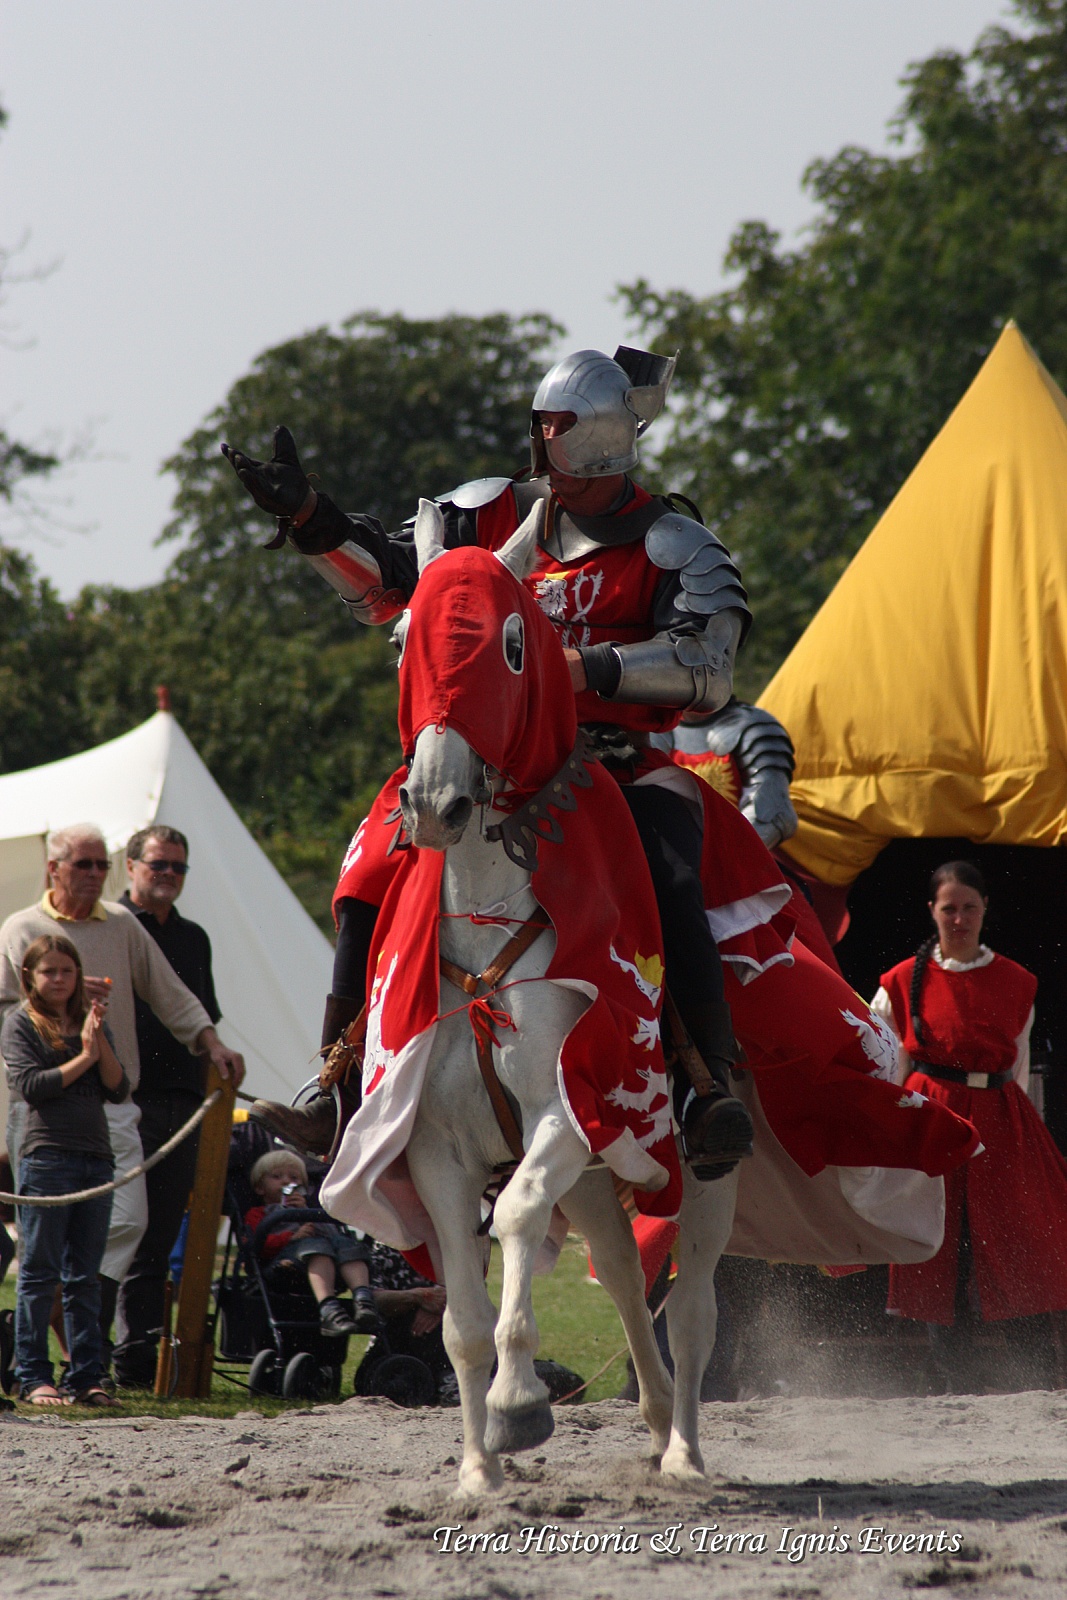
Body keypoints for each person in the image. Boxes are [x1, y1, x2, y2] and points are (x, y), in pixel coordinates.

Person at [222, 345, 756, 1178]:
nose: (542, 448)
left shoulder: (673, 545)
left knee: (670, 878)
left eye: (556, 431)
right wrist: (313, 520)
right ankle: (337, 1079)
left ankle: (702, 1083)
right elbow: (394, 584)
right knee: (367, 868)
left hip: (614, 765)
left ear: (597, 439)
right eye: (540, 430)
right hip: (483, 761)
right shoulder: (486, 513)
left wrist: (580, 669)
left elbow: (707, 669)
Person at [0, 823, 245, 1347]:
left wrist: (211, 1043)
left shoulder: (121, 924)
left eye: (100, 865)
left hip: (111, 1098)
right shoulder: (20, 928)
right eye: (82, 864)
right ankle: (44, 1360)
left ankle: (69, 1321)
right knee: (44, 1238)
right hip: (43, 1108)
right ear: (53, 868)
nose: (94, 874)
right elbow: (5, 1010)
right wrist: (57, 996)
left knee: (129, 1221)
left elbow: (170, 992)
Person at [872, 861, 1067, 1355]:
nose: (959, 919)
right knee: (939, 1236)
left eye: (969, 908)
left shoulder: (1017, 981)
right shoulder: (900, 981)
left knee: (1011, 1232)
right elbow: (888, 1064)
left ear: (984, 910)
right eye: (949, 908)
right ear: (932, 911)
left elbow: (1018, 1064)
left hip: (1000, 1123)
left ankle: (1022, 1359)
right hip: (932, 1120)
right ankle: (947, 1360)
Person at [112, 824, 244, 1388]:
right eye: (158, 864)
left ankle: (137, 1361)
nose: (168, 874)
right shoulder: (110, 926)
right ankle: (92, 1357)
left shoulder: (194, 938)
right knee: (117, 1231)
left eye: (178, 867)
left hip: (185, 1102)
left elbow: (201, 1016)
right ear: (131, 866)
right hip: (124, 1098)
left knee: (159, 1238)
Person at [2, 936, 129, 1405]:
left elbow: (118, 1088)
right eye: (48, 971)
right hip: (46, 1157)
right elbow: (32, 1085)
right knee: (39, 1272)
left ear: (78, 976)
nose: (58, 980)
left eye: (67, 971)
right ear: (30, 977)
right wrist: (85, 1058)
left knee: (85, 1277)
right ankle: (34, 1374)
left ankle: (86, 1376)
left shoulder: (90, 1022)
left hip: (96, 1157)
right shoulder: (20, 1024)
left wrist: (99, 1043)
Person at [245, 1149, 379, 1334]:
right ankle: (329, 1309)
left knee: (347, 1244)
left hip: (327, 1258)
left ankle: (363, 1298)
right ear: (260, 1188)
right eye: (277, 1176)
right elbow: (255, 1246)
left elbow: (332, 1236)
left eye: (294, 1178)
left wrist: (305, 1211)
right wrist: (290, 1237)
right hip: (284, 1263)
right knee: (317, 1247)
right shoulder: (257, 1214)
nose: (287, 1181)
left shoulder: (308, 1210)